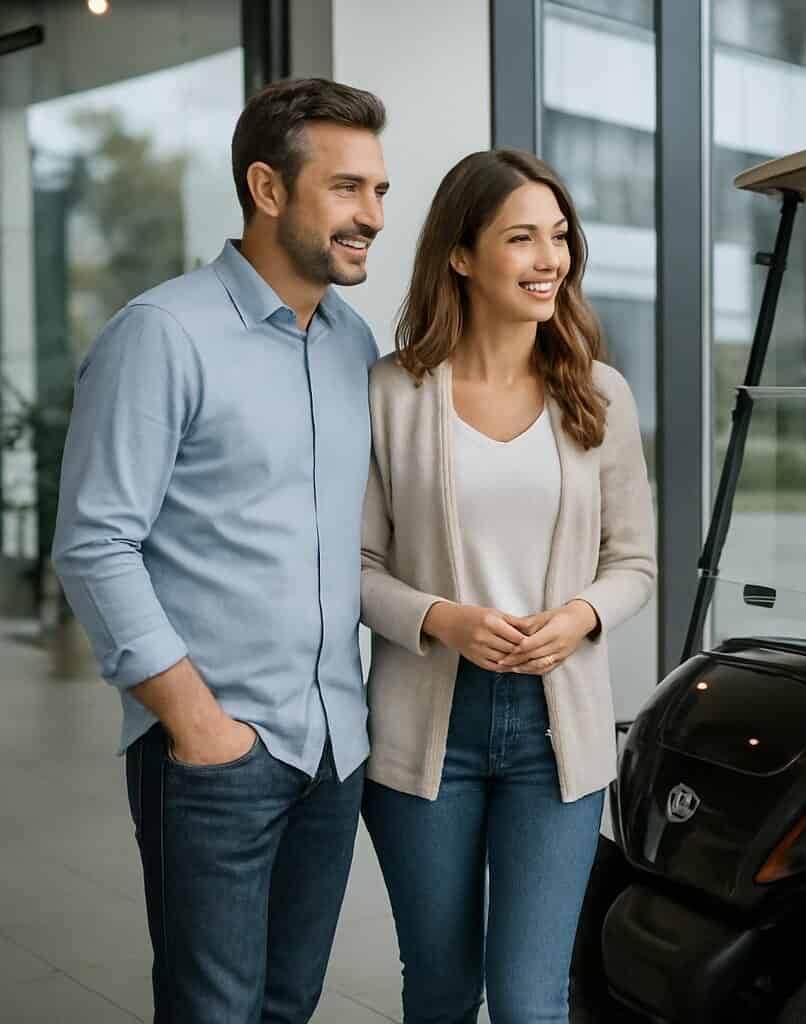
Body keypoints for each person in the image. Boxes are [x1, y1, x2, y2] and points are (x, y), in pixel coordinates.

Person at [51, 78, 389, 1021]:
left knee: (289, 1002)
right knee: (213, 1010)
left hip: (331, 748)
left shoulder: (351, 343)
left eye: (378, 192)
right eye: (347, 188)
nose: (369, 216)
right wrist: (198, 726)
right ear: (268, 189)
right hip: (215, 753)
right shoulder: (161, 334)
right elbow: (94, 542)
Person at [359, 148, 656, 1023]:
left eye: (558, 237)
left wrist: (580, 615)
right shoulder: (391, 392)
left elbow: (635, 560)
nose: (548, 260)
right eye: (521, 238)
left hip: (554, 734)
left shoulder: (598, 394)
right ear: (460, 254)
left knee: (531, 1000)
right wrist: (440, 618)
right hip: (424, 734)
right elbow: (353, 569)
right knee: (443, 989)